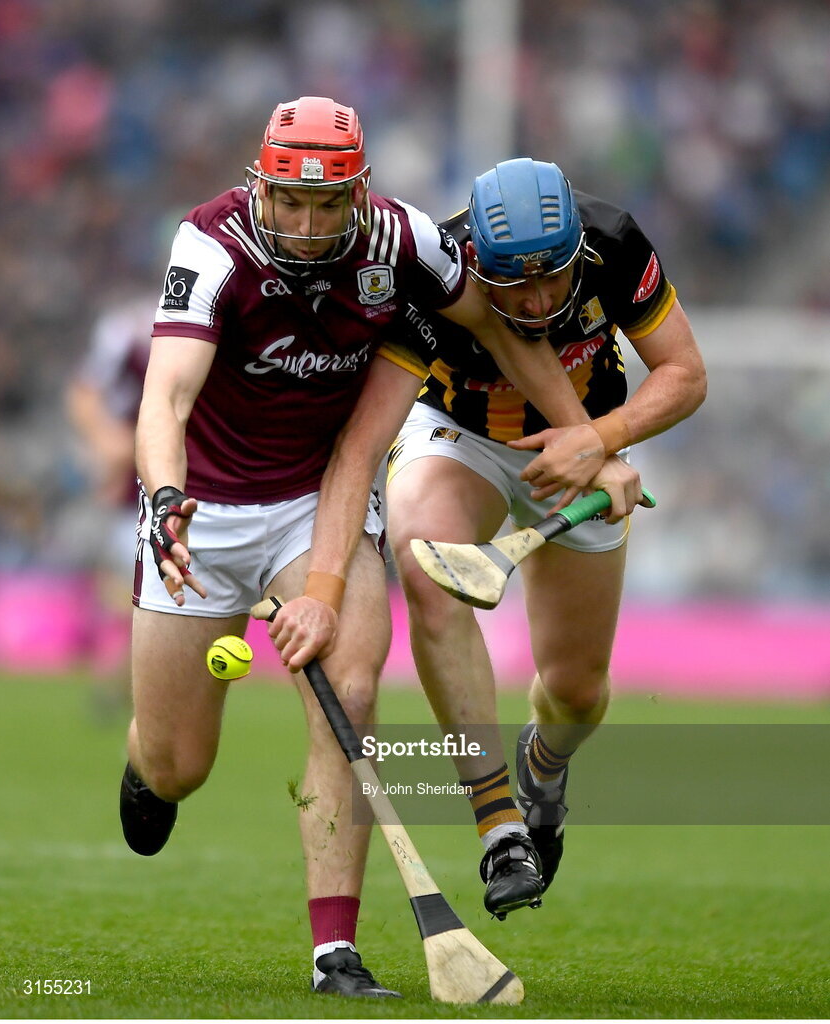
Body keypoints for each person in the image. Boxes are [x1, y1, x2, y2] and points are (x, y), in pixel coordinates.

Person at [121, 101, 603, 999]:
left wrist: (589, 441)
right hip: (200, 512)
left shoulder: (400, 245)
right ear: (261, 186)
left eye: (327, 205)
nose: (307, 227)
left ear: (360, 193)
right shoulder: (210, 246)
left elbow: (504, 331)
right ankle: (146, 758)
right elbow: (167, 396)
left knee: (347, 690)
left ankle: (332, 951)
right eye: (290, 204)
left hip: (317, 506)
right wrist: (162, 497)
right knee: (176, 764)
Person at [274, 157, 706, 919]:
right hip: (457, 436)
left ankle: (542, 771)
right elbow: (372, 429)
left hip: (584, 443)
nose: (536, 302)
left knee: (575, 693)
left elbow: (684, 374)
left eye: (552, 279)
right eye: (514, 284)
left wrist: (600, 444)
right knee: (426, 562)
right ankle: (498, 823)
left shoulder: (613, 242)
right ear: (478, 262)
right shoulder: (438, 270)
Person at [65, 292, 155, 719]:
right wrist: (108, 442)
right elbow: (84, 393)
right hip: (134, 496)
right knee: (135, 597)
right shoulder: (130, 327)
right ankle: (120, 683)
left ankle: (119, 684)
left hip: (188, 487)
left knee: (139, 600)